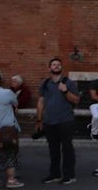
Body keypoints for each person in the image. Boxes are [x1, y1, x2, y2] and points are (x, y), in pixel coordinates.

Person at [35, 55, 80, 185]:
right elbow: (41, 102)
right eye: (54, 65)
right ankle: (54, 174)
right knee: (53, 149)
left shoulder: (68, 83)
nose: (56, 66)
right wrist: (39, 120)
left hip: (65, 120)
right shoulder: (45, 83)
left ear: (61, 68)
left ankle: (69, 175)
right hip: (49, 121)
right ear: (49, 68)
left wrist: (65, 91)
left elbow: (76, 100)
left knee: (67, 149)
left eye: (58, 65)